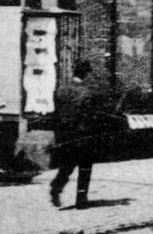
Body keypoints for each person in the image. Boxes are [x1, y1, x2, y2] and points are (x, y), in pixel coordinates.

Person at [49, 60, 106, 209]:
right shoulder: (86, 93)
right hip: (82, 135)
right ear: (86, 74)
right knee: (85, 167)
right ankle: (81, 199)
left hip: (65, 135)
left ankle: (56, 186)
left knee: (67, 165)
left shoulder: (61, 90)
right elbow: (89, 116)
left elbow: (56, 113)